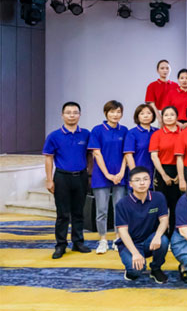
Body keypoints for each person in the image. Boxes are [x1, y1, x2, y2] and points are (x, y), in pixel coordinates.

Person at [43, 102, 92, 259]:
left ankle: (78, 242)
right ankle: (61, 245)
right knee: (63, 214)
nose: (72, 115)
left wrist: (89, 175)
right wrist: (49, 180)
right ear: (62, 115)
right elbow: (49, 158)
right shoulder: (54, 136)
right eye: (68, 112)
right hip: (62, 177)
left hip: (81, 177)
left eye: (75, 112)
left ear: (80, 115)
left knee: (78, 212)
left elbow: (90, 155)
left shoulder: (86, 134)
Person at [115, 167, 169, 283]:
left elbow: (164, 220)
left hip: (150, 240)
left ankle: (156, 268)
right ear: (130, 184)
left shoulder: (158, 197)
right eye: (137, 180)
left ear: (150, 181)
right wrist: (135, 253)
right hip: (130, 244)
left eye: (145, 179)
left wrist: (157, 236)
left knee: (163, 240)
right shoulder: (122, 204)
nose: (142, 183)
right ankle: (130, 270)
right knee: (136, 271)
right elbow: (123, 232)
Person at [89, 100, 129, 254]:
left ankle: (118, 238)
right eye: (112, 111)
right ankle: (103, 240)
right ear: (106, 113)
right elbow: (97, 154)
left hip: (120, 176)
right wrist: (107, 174)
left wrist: (121, 172)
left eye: (118, 112)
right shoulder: (97, 130)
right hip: (101, 176)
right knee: (102, 210)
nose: (115, 115)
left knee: (119, 209)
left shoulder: (124, 130)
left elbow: (127, 153)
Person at [148, 106, 182, 237]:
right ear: (162, 118)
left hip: (179, 170)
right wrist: (164, 175)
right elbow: (154, 156)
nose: (169, 117)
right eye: (166, 115)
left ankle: (174, 235)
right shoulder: (157, 134)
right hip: (162, 170)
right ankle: (161, 236)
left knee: (176, 206)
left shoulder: (182, 133)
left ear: (177, 117)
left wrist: (180, 175)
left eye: (172, 114)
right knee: (161, 205)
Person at [124, 104, 158, 183]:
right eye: (142, 113)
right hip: (138, 173)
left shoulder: (157, 132)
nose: (146, 116)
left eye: (149, 113)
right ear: (137, 116)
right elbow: (128, 156)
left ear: (153, 115)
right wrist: (135, 175)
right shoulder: (132, 133)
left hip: (155, 174)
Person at [145, 59, 178, 125]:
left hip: (172, 114)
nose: (165, 70)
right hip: (156, 113)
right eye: (162, 68)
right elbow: (151, 103)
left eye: (167, 68)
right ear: (158, 70)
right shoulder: (152, 85)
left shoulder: (176, 85)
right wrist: (158, 116)